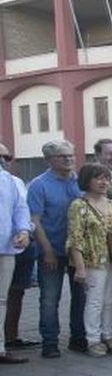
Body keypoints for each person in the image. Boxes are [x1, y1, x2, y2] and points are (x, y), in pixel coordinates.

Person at [28, 140, 86, 358]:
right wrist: (48, 251)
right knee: (50, 299)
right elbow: (35, 220)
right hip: (51, 248)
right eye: (63, 156)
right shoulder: (38, 185)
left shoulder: (80, 181)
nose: (69, 160)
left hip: (78, 251)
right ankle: (50, 342)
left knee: (81, 296)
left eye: (71, 155)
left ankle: (78, 337)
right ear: (49, 160)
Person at [66, 164, 112, 357]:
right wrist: (80, 267)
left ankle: (108, 334)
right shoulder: (79, 205)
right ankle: (93, 338)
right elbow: (75, 238)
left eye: (106, 178)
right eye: (98, 178)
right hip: (93, 260)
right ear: (87, 181)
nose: (104, 182)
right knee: (95, 300)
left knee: (111, 299)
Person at [0, 145, 32, 364]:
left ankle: (0, 348)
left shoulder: (13, 182)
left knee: (2, 300)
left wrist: (23, 231)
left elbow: (21, 210)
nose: (3, 159)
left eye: (6, 156)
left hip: (6, 249)